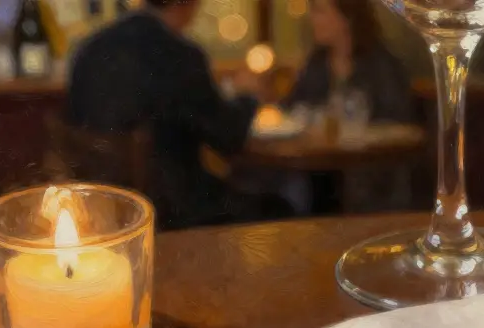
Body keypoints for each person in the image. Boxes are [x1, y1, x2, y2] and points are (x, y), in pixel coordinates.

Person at [67, 0, 291, 230]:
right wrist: (248, 95)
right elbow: (229, 138)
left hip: (98, 205)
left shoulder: (90, 48)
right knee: (280, 206)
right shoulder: (180, 55)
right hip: (171, 210)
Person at [278, 0, 416, 214]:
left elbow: (402, 125)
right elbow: (290, 110)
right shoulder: (317, 62)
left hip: (370, 174)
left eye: (320, 12)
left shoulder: (381, 65)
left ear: (347, 17)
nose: (312, 19)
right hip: (319, 168)